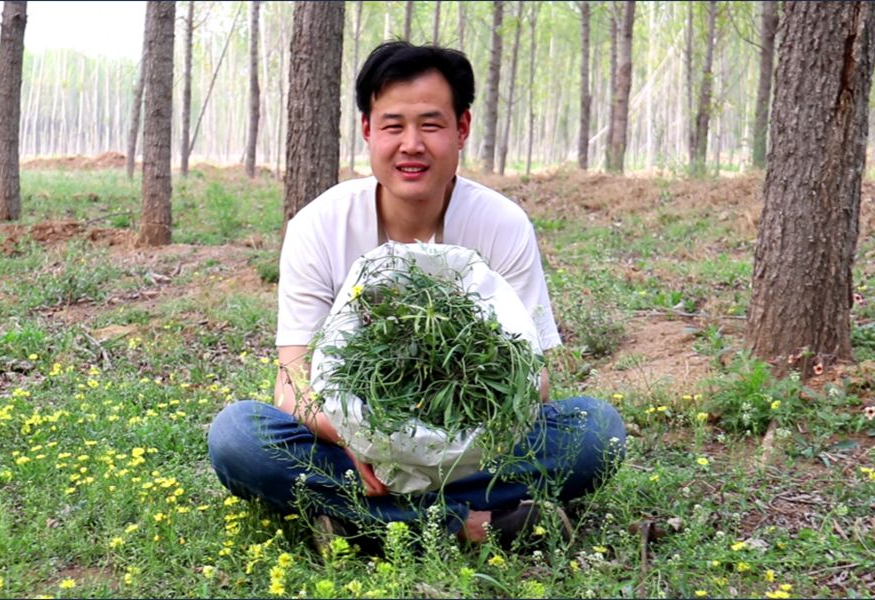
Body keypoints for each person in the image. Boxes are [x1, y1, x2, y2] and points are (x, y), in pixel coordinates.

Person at [208, 41, 625, 549]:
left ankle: (367, 524)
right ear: (367, 130)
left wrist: (448, 448)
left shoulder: (501, 224)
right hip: (355, 447)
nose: (411, 144)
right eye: (393, 125)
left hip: (475, 445)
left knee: (596, 430)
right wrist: (367, 442)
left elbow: (532, 379)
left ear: (461, 129)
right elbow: (292, 378)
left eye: (430, 124)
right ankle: (478, 525)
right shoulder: (318, 225)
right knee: (238, 437)